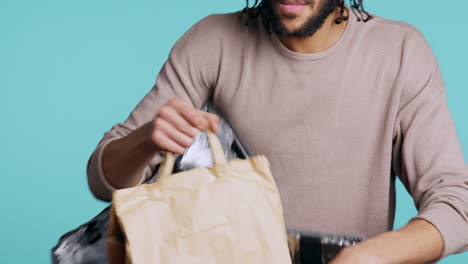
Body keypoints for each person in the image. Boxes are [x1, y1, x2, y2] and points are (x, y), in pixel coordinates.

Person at [87, 0, 468, 262]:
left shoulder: (400, 52)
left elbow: (457, 203)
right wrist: (144, 140)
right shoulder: (212, 41)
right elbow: (103, 181)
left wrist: (371, 255)